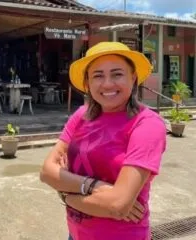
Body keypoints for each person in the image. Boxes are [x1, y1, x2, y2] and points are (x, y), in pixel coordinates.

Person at [40, 41, 166, 240]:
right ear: (88, 82)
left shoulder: (147, 124)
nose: (107, 84)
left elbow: (117, 206)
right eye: (98, 75)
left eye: (117, 74)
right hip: (75, 234)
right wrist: (95, 187)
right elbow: (47, 172)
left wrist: (66, 193)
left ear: (133, 78)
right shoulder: (82, 115)